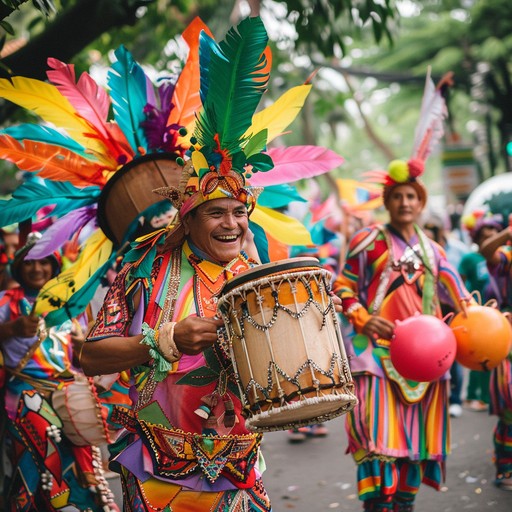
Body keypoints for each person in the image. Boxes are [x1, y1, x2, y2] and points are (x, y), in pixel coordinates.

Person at [332, 69, 473, 512]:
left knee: (416, 443)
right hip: (375, 355)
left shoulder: (435, 251)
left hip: (426, 362)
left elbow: (461, 299)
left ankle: (405, 505)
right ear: (388, 201)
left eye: (413, 196)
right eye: (398, 196)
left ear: (421, 201)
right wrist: (359, 316)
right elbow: (342, 285)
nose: (406, 203)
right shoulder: (367, 242)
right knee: (375, 439)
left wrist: (479, 321)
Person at [0, 232, 117, 511]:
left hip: (65, 388)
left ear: (54, 267)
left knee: (84, 443)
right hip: (25, 391)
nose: (37, 269)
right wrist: (12, 329)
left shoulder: (69, 304)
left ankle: (85, 500)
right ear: (19, 267)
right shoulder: (7, 301)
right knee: (41, 445)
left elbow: (80, 348)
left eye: (43, 262)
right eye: (29, 263)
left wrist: (84, 348)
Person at [422, 212, 470, 419]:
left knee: (453, 355)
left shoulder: (457, 250)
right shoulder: (418, 252)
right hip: (430, 312)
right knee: (433, 355)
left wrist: (463, 299)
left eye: (432, 233)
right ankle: (436, 400)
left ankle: (456, 399)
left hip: (454, 310)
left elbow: (461, 275)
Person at [478, 218, 512, 491]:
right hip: (508, 338)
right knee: (510, 405)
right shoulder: (507, 256)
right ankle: (505, 466)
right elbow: (487, 251)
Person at [458, 213, 503, 413]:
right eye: (487, 232)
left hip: (497, 314)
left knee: (494, 355)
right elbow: (458, 281)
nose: (492, 234)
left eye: (495, 230)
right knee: (476, 354)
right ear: (477, 237)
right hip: (476, 314)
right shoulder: (470, 258)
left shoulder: (502, 256)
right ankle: (474, 396)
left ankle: (488, 396)